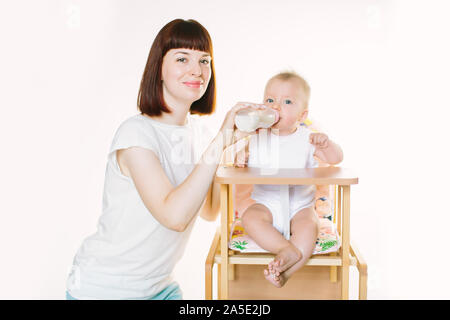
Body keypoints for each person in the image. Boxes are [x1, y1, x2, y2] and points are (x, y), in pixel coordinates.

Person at [65, 18, 265, 300]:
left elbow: (209, 210)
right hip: (105, 288)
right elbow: (174, 217)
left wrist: (232, 156)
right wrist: (220, 141)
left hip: (159, 288)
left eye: (204, 61)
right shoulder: (136, 134)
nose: (197, 70)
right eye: (182, 58)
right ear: (158, 67)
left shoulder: (199, 134)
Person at [234, 71, 344, 288]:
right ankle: (286, 249)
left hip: (300, 206)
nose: (276, 106)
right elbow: (241, 159)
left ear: (302, 115)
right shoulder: (257, 136)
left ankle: (286, 272)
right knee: (250, 219)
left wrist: (326, 145)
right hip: (266, 204)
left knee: (308, 228)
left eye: (287, 101)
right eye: (270, 100)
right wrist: (242, 158)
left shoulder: (308, 138)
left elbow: (336, 159)